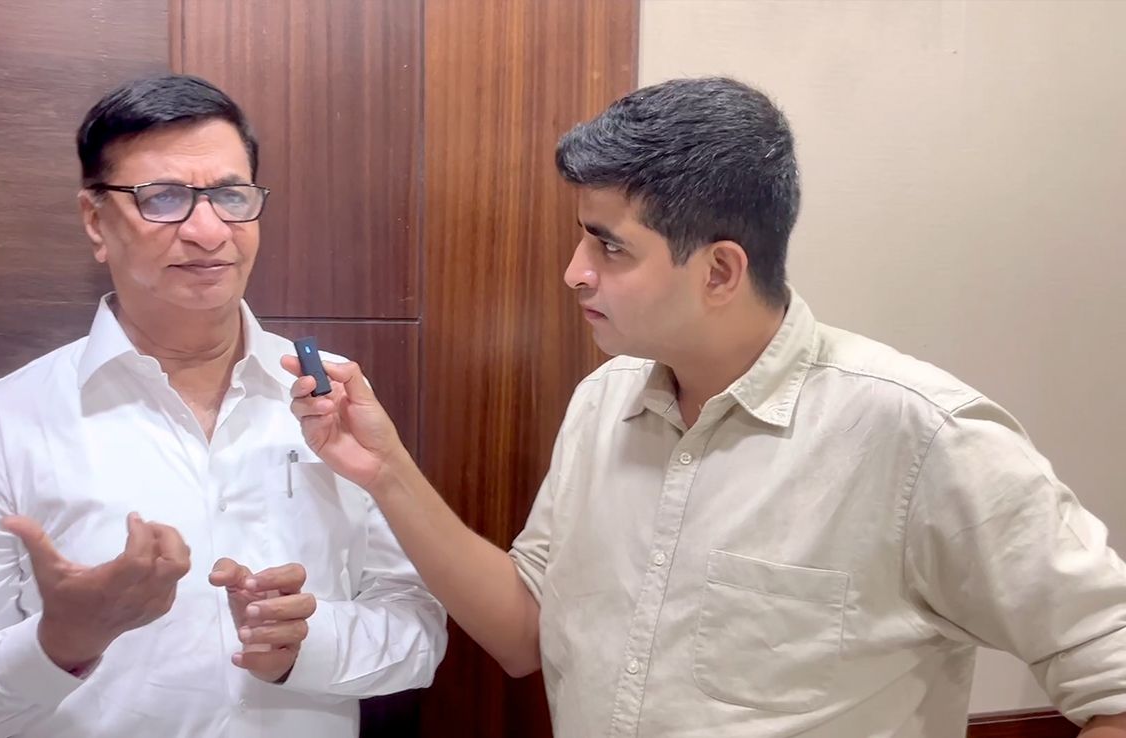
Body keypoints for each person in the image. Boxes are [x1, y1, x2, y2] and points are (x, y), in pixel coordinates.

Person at [285, 76, 1126, 737]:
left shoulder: (921, 434)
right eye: (582, 235)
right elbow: (522, 632)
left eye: (610, 246)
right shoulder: (603, 404)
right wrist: (385, 470)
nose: (575, 271)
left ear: (720, 270)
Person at [0, 74, 446, 738]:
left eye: (231, 196)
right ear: (96, 221)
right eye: (164, 198)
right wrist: (58, 645)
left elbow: (419, 629)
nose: (208, 231)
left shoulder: (334, 397)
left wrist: (308, 645)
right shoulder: (1, 423)